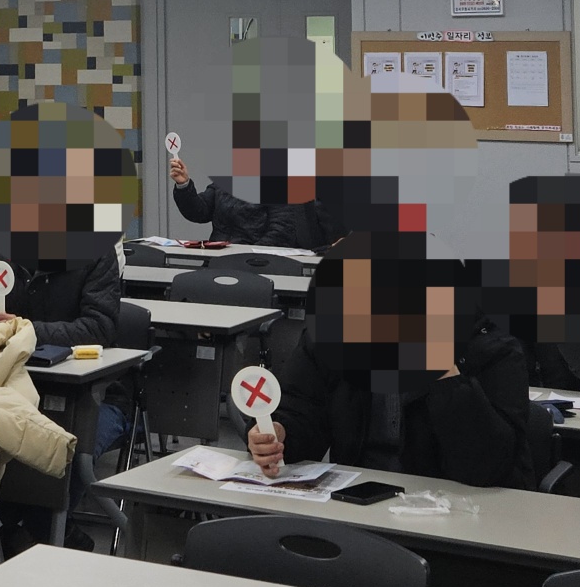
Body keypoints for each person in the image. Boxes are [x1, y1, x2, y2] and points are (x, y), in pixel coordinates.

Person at [247, 238, 533, 489]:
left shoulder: (492, 349)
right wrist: (280, 434)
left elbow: (486, 469)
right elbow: (301, 409)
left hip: (456, 505)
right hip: (360, 496)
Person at [0, 244, 123, 549]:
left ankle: (32, 536)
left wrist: (23, 331)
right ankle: (29, 535)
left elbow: (99, 327)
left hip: (86, 395)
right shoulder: (0, 248)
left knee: (66, 449)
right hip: (9, 389)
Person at [169, 155, 340, 248]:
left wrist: (244, 255)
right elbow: (199, 211)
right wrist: (184, 184)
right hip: (217, 260)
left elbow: (280, 232)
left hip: (257, 265)